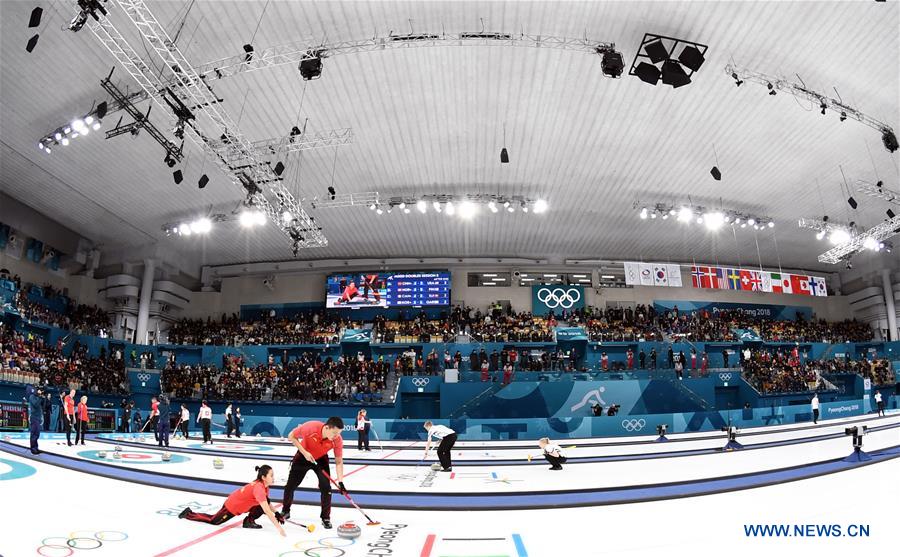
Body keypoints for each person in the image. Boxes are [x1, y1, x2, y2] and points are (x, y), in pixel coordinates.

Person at [180, 464, 286, 536]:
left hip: (240, 504)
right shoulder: (259, 488)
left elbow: (266, 502)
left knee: (263, 504)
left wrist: (277, 513)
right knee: (213, 521)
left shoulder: (264, 486)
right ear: (263, 477)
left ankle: (248, 521)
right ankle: (188, 514)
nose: (273, 477)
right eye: (271, 475)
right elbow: (267, 510)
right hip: (231, 507)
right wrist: (279, 528)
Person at [281, 417, 346, 529]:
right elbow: (291, 436)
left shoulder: (337, 440)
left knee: (326, 488)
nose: (336, 436)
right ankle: (285, 511)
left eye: (338, 434)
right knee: (290, 486)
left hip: (321, 459)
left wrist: (341, 482)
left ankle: (325, 517)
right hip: (303, 456)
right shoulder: (310, 427)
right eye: (334, 433)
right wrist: (305, 453)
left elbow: (339, 461)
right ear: (327, 427)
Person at [26, 385, 43, 455]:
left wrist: (40, 397)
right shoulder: (32, 397)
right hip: (34, 417)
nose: (38, 391)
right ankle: (33, 449)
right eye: (37, 390)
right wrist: (40, 397)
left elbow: (40, 405)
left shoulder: (37, 397)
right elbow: (36, 404)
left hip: (38, 417)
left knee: (37, 433)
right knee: (34, 433)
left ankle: (36, 447)